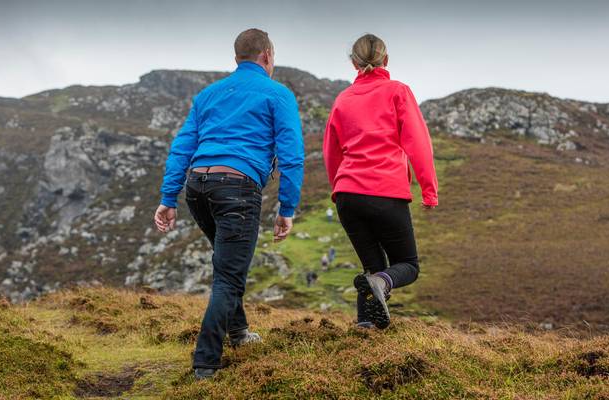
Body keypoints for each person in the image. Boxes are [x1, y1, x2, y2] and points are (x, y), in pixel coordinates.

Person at [154, 28, 304, 379]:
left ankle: (238, 333)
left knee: (226, 265)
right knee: (229, 278)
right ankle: (205, 363)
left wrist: (168, 198)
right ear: (267, 55)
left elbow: (182, 148)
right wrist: (287, 208)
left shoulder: (207, 95)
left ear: (237, 57)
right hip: (236, 188)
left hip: (197, 187)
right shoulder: (278, 94)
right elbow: (292, 156)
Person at [323, 34, 438, 330]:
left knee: (372, 268)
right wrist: (429, 191)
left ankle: (366, 328)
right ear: (386, 60)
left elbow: (331, 151)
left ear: (353, 62)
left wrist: (338, 188)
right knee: (407, 266)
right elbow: (418, 142)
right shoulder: (397, 91)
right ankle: (381, 283)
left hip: (348, 194)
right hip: (385, 193)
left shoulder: (343, 99)